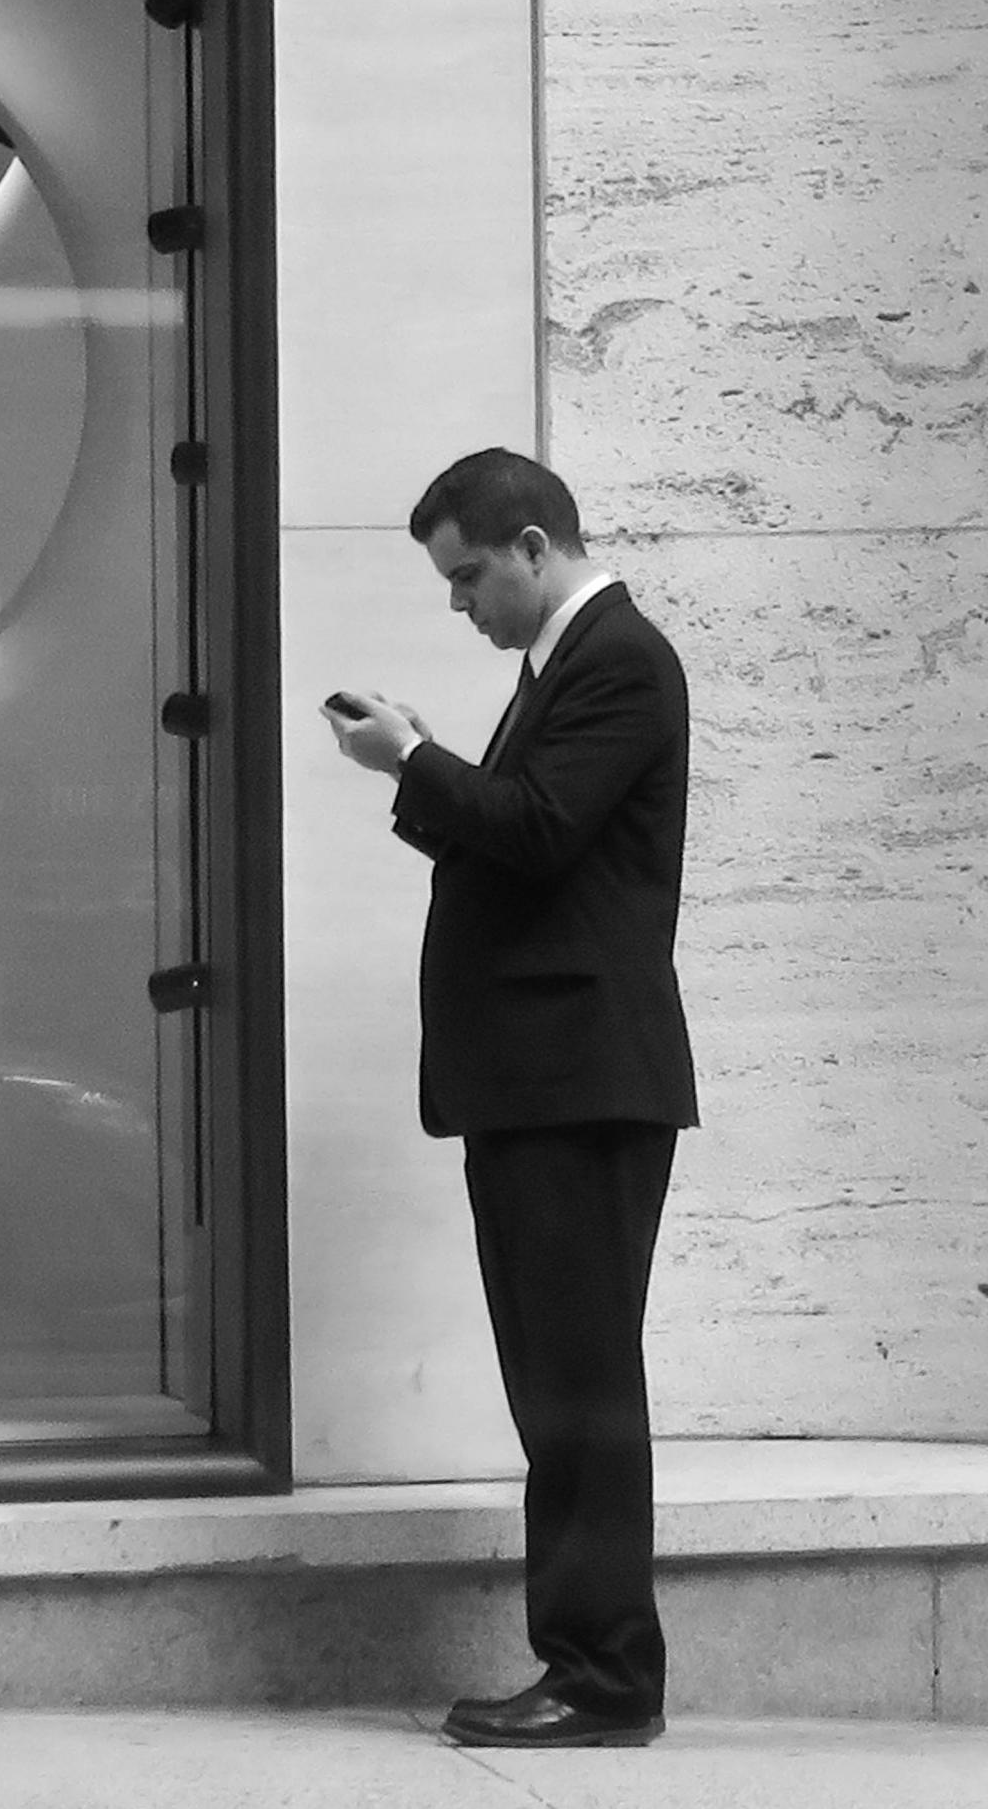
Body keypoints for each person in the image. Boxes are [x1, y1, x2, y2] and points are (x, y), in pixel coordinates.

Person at [324, 446, 697, 1750]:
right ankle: (586, 1660)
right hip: (540, 1085)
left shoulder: (621, 658)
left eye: (469, 573)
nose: (460, 601)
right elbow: (523, 831)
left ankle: (602, 1675)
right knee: (559, 1388)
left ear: (534, 545)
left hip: (582, 1084)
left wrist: (412, 757)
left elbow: (537, 828)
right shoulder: (565, 665)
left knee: (582, 1392)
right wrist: (423, 761)